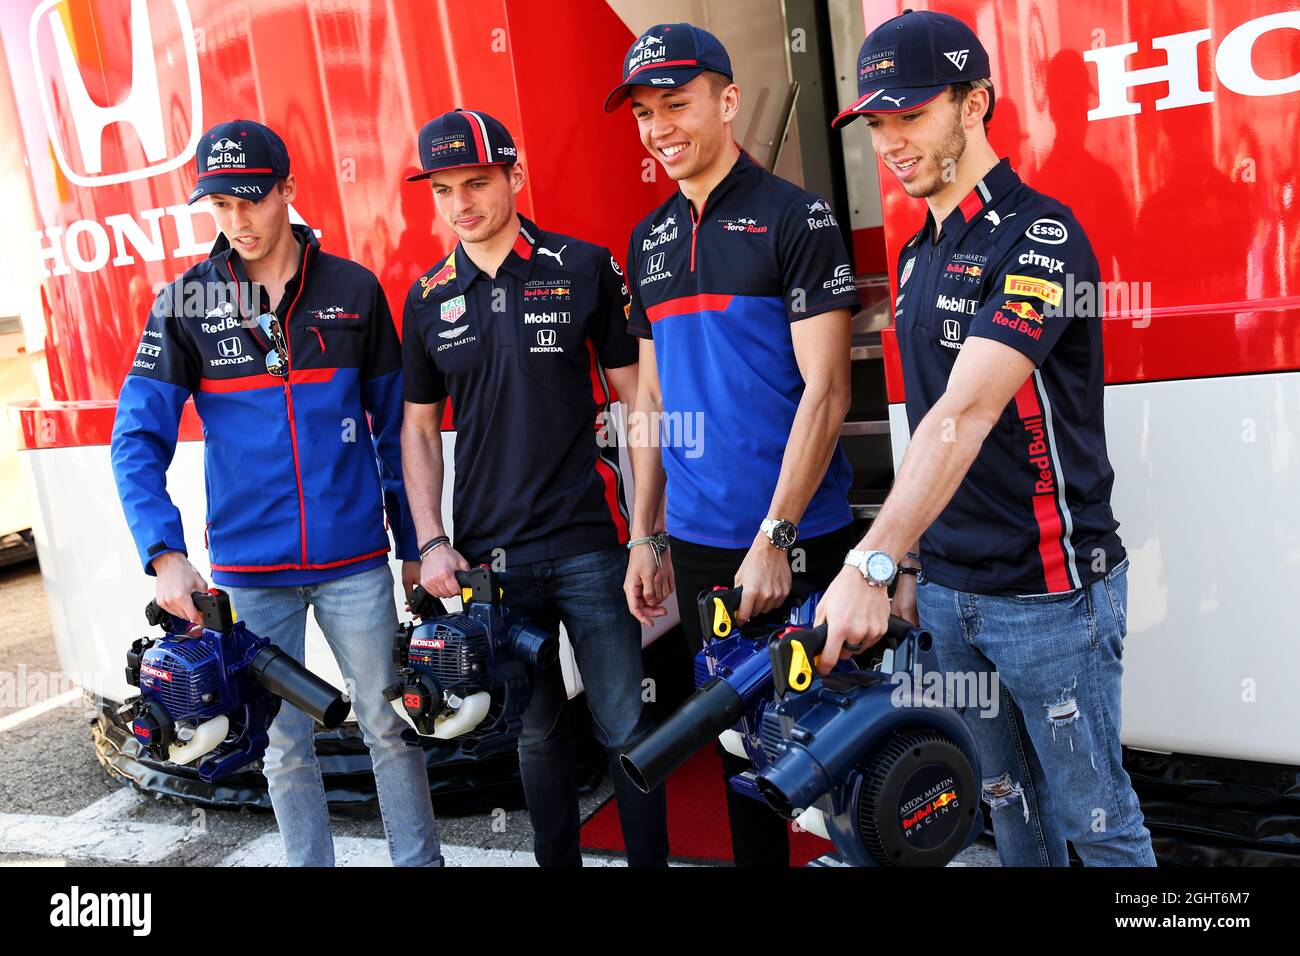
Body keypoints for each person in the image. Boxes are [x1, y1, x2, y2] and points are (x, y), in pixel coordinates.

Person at [819, 9, 1155, 866]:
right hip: (948, 596)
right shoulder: (914, 252)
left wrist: (872, 560)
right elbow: (928, 422)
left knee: (1097, 821)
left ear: (975, 104)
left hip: (1048, 597)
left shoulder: (1042, 237)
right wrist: (918, 567)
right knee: (1006, 810)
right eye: (877, 123)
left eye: (912, 116)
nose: (890, 143)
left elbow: (964, 416)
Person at [110, 119, 443, 867]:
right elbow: (135, 440)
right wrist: (164, 553)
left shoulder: (355, 290)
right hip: (248, 575)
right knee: (282, 745)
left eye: (252, 200)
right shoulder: (184, 303)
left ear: (287, 192)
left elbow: (396, 436)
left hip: (355, 562)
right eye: (220, 205)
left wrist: (419, 545)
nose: (237, 221)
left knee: (389, 726)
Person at [606, 24, 858, 867]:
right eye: (644, 112)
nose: (659, 127)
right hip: (702, 543)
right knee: (740, 755)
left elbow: (828, 392)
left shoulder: (798, 216)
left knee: (834, 753)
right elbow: (649, 401)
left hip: (801, 538)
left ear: (727, 98)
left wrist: (777, 536)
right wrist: (646, 533)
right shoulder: (645, 241)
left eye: (675, 104)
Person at [399, 109, 669, 867]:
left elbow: (636, 403)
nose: (461, 203)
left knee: (626, 726)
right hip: (491, 561)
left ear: (516, 177)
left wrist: (648, 532)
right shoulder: (425, 298)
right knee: (539, 732)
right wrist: (430, 543)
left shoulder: (583, 266)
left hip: (590, 543)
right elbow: (418, 433)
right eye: (445, 189)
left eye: (477, 181)